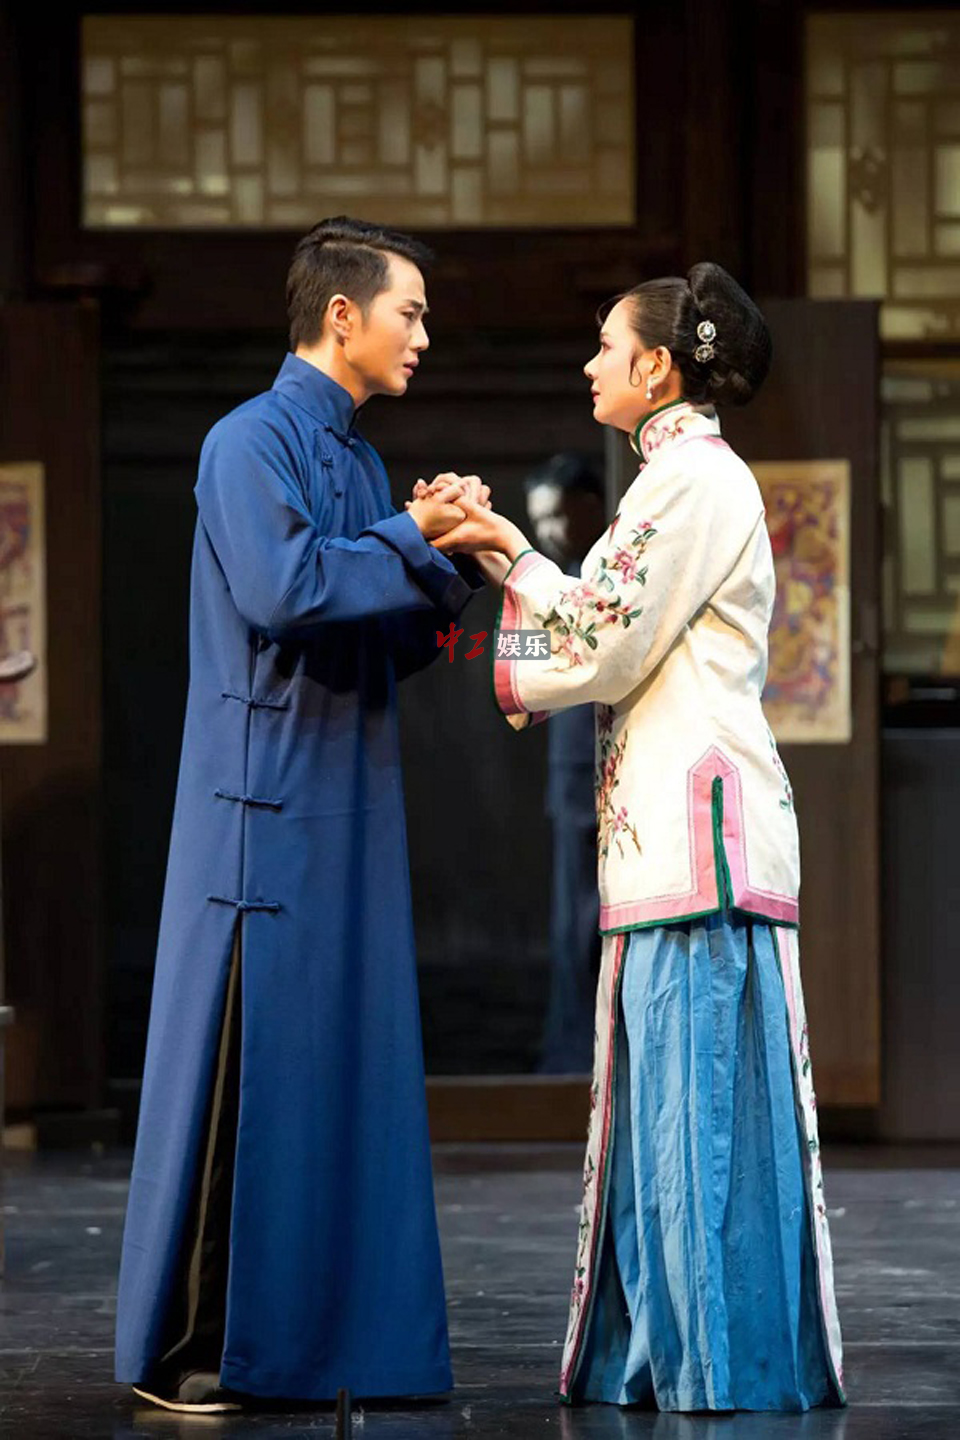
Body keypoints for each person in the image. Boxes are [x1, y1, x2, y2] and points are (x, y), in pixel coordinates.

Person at [432, 264, 845, 1412]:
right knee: (663, 1117)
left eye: (605, 344)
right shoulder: (671, 480)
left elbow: (605, 640)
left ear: (657, 365)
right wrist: (507, 576)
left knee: (697, 1122)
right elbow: (605, 628)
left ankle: (720, 1367)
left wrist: (512, 567)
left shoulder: (692, 480)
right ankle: (681, 1356)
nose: (590, 363)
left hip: (700, 846)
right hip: (670, 842)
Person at [115, 216, 487, 1413]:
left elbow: (387, 636)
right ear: (343, 314)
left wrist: (448, 557)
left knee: (343, 1070)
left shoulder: (363, 466)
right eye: (409, 313)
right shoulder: (246, 442)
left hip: (347, 799)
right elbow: (285, 591)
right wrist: (408, 537)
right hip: (261, 807)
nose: (421, 335)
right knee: (248, 1075)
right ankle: (194, 1348)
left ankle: (334, 1348)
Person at [523, 454, 606, 1074]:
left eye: (555, 515)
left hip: (613, 766)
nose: (547, 532)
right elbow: (513, 658)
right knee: (573, 920)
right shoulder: (552, 579)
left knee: (600, 918)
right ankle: (572, 1054)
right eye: (537, 522)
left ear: (588, 505)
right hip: (573, 773)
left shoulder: (610, 569)